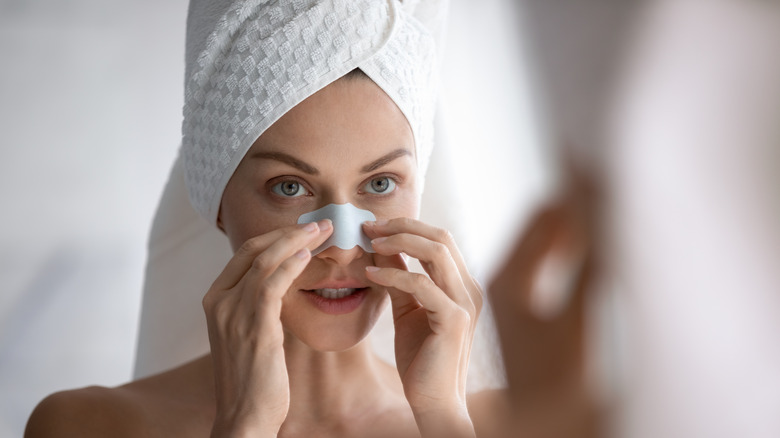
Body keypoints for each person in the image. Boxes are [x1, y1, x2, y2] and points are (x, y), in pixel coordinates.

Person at [24, 1, 498, 436]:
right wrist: (244, 425)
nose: (341, 248)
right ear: (218, 204)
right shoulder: (87, 425)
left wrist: (442, 416)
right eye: (289, 187)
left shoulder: (497, 421)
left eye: (380, 184)